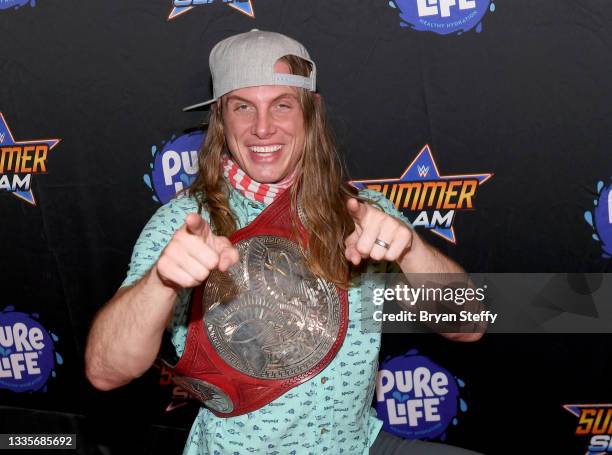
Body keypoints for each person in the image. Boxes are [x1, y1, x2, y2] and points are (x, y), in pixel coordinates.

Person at [85, 29, 483, 455]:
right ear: (221, 119)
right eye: (243, 107)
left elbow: (470, 327)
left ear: (311, 112)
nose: (261, 127)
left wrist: (410, 250)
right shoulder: (185, 224)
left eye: (281, 105)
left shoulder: (365, 213)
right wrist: (161, 282)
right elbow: (105, 372)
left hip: (357, 446)